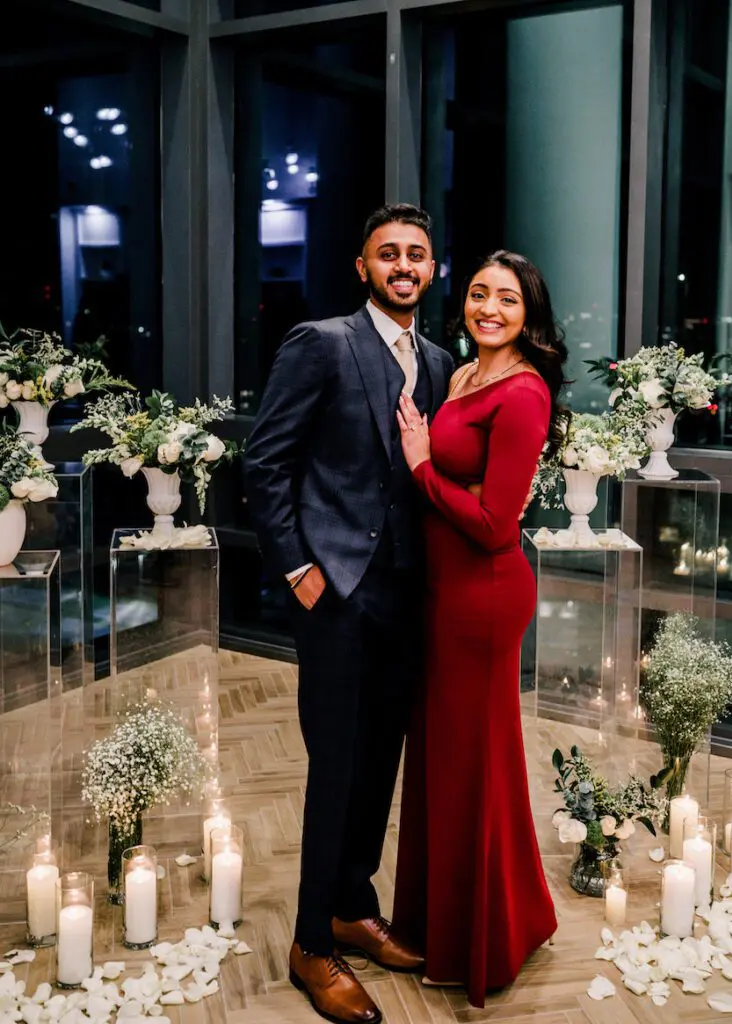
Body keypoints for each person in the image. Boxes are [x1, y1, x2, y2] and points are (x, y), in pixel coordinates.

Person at [243, 204, 454, 1024]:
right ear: (361, 268)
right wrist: (299, 568)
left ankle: (350, 906)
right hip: (334, 592)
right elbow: (266, 459)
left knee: (380, 764)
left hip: (409, 594)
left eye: (417, 254)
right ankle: (308, 943)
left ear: (431, 270)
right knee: (335, 767)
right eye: (388, 254)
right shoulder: (321, 342)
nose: (403, 265)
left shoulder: (436, 360)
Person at [392, 251, 565, 1007]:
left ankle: (487, 937)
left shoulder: (523, 393)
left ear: (529, 313)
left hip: (482, 594)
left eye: (506, 299)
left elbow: (497, 527)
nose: (487, 308)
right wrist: (441, 476)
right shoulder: (464, 376)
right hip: (442, 588)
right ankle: (441, 922)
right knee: (444, 759)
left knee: (475, 763)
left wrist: (424, 468)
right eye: (476, 294)